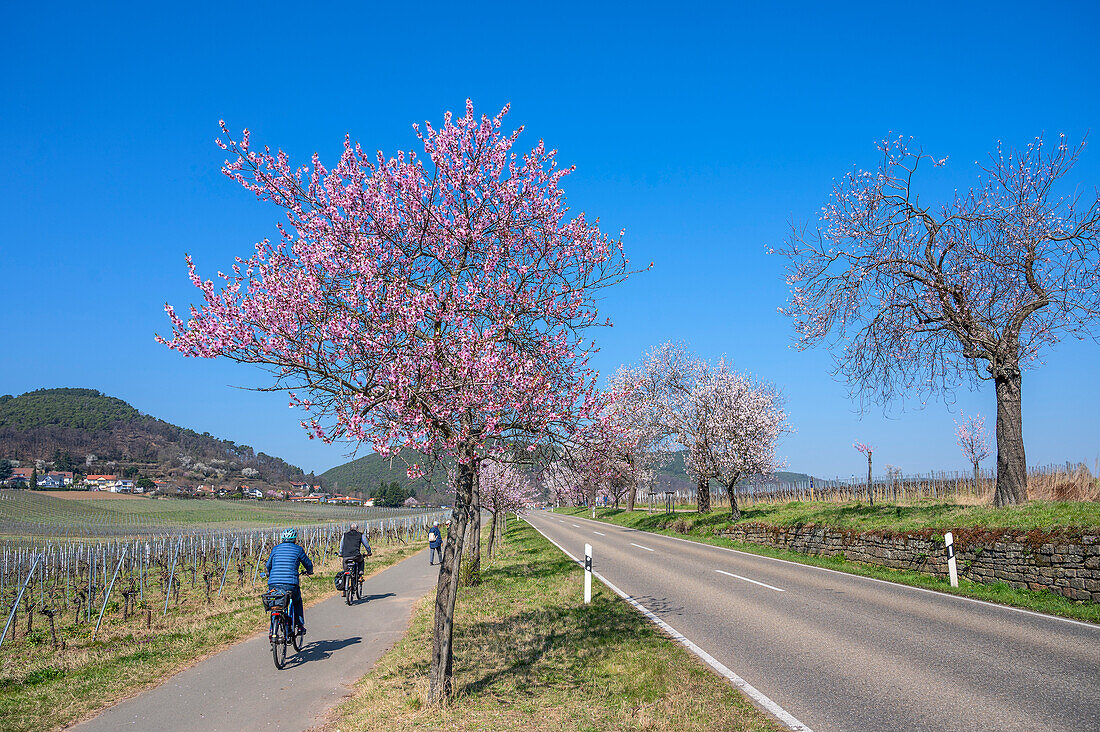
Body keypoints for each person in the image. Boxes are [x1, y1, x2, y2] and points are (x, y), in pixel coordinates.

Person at [266, 528, 313, 634]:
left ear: (282, 539)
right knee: (297, 601)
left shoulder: (275, 549)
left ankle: (272, 630)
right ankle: (300, 625)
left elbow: (268, 565)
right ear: (295, 539)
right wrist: (310, 571)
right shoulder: (298, 549)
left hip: (273, 583)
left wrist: (269, 573)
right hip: (291, 584)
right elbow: (308, 564)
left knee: (276, 604)